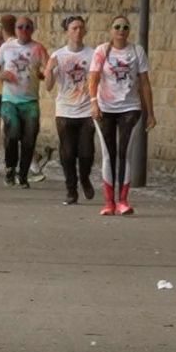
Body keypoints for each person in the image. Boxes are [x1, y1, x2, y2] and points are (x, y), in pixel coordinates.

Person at [92, 16, 147, 216]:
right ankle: (109, 202)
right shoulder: (102, 51)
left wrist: (150, 112)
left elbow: (145, 83)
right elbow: (93, 78)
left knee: (125, 152)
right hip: (105, 108)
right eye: (117, 27)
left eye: (125, 27)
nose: (121, 30)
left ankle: (123, 200)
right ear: (110, 30)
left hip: (130, 107)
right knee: (109, 153)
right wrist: (93, 102)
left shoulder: (137, 51)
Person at [46, 15, 102, 206]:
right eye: (74, 28)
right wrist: (49, 70)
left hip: (86, 109)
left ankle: (84, 178)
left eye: (80, 28)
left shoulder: (93, 54)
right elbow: (48, 86)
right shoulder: (58, 55)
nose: (78, 31)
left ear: (85, 31)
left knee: (86, 152)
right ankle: (71, 189)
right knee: (68, 152)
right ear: (67, 32)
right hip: (65, 110)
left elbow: (100, 80)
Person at [0, 17, 43, 188]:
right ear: (15, 29)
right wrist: (1, 74)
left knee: (29, 138)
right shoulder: (7, 47)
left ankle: (23, 175)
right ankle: (10, 168)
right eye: (20, 27)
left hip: (30, 101)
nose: (24, 30)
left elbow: (48, 68)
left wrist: (42, 74)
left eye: (27, 27)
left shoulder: (38, 48)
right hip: (10, 100)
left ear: (32, 29)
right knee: (12, 134)